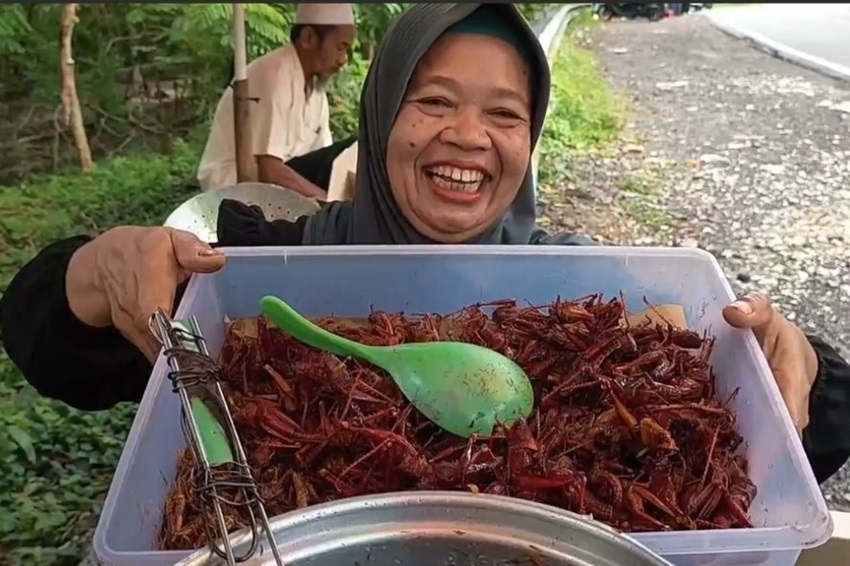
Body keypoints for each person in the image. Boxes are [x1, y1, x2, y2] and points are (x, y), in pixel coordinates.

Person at [2, 2, 849, 485]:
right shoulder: (256, 265)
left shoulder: (589, 288)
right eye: (434, 101)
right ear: (379, 117)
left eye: (505, 114)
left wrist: (783, 360)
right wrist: (92, 272)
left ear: (530, 142)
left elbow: (821, 404)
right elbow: (46, 342)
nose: (469, 136)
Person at [197, 3, 359, 198]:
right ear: (309, 38)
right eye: (340, 48)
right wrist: (328, 201)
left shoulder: (316, 91)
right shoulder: (274, 74)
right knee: (352, 147)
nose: (343, 60)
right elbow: (269, 170)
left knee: (352, 152)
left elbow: (322, 161)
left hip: (282, 181)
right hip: (233, 183)